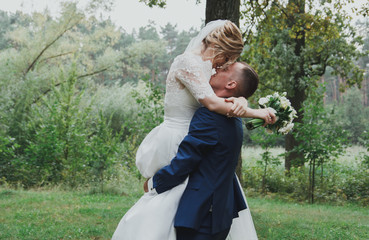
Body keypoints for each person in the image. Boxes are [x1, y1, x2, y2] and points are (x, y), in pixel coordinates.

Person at [112, 20, 275, 240]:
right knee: (166, 201)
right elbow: (213, 102)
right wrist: (255, 111)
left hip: (198, 135)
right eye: (227, 59)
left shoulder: (211, 70)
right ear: (219, 46)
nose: (222, 65)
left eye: (228, 63)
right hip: (180, 134)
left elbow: (227, 91)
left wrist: (240, 99)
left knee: (182, 194)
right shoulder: (187, 62)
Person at [144, 61, 259, 240]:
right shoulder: (235, 118)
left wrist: (154, 183)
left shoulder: (209, 116)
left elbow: (185, 162)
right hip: (220, 213)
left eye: (225, 69)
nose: (217, 68)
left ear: (231, 84)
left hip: (201, 214)